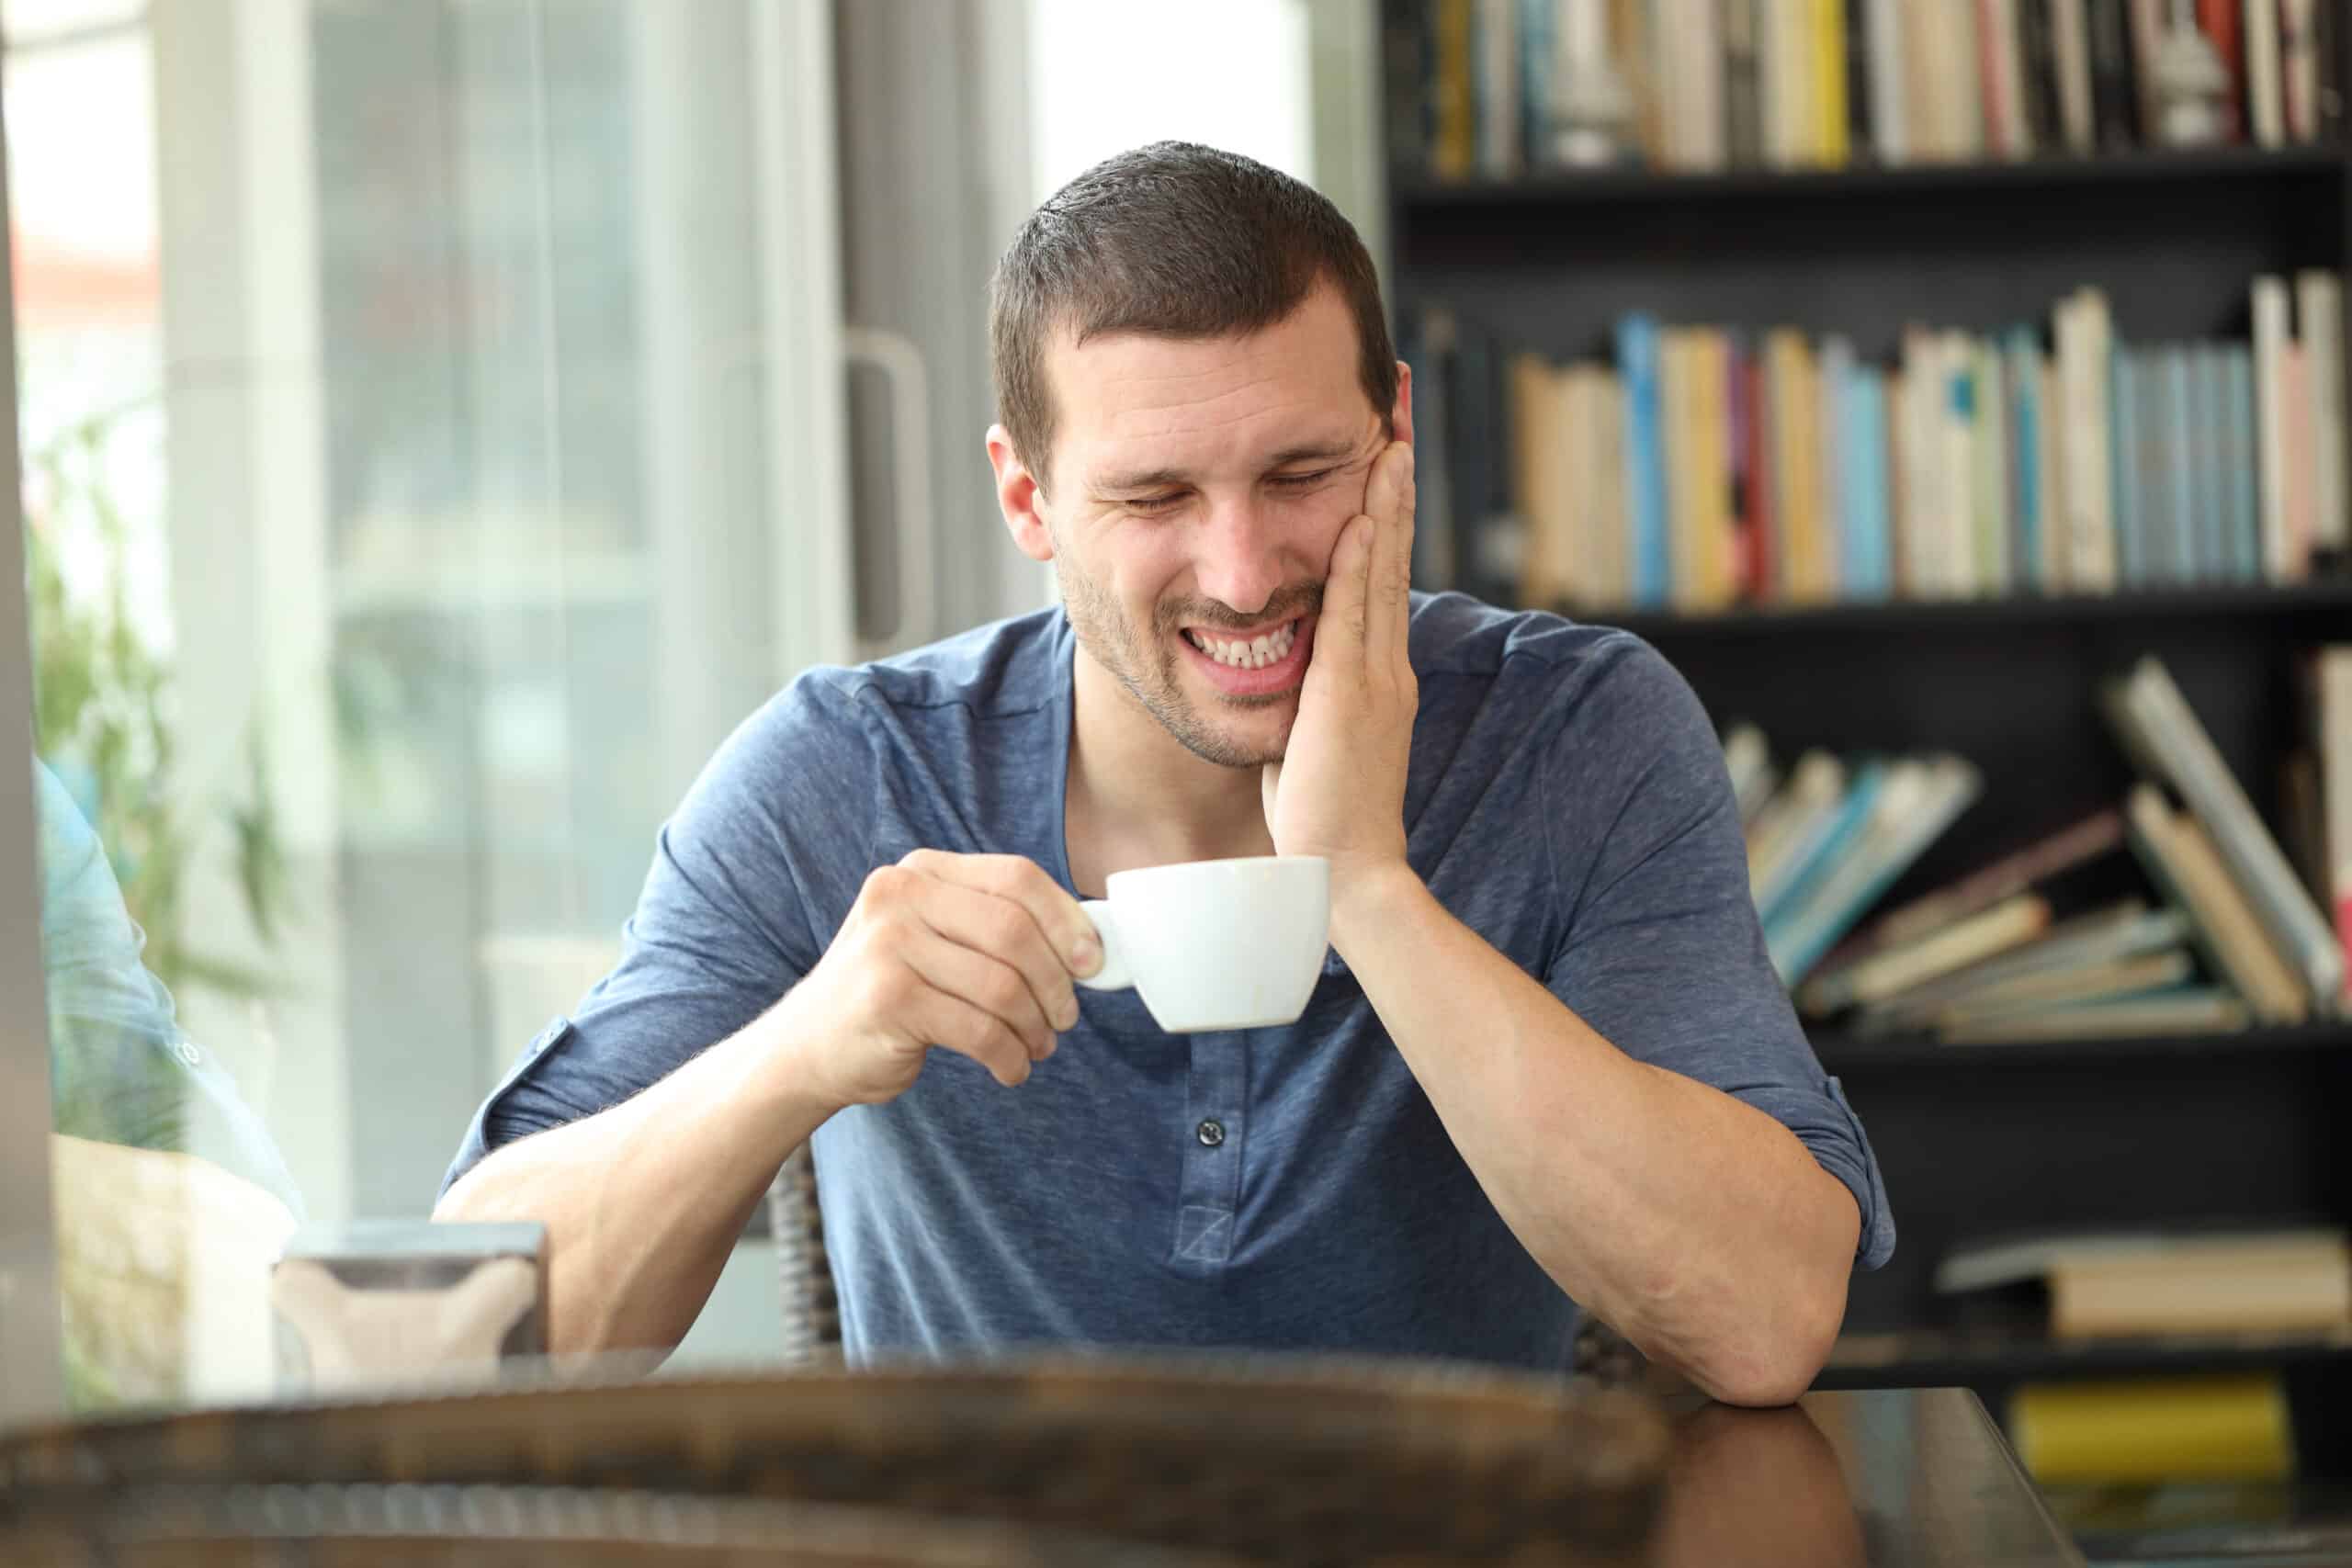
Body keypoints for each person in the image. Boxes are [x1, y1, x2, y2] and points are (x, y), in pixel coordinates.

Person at [437, 141, 1891, 1405]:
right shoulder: (840, 774)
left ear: (1396, 432)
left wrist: (1367, 885)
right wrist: (801, 1049)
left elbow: (1765, 1328)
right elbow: (457, 1334)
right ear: (1029, 497)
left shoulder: (1579, 734)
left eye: (1300, 474)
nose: (1244, 572)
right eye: (1155, 497)